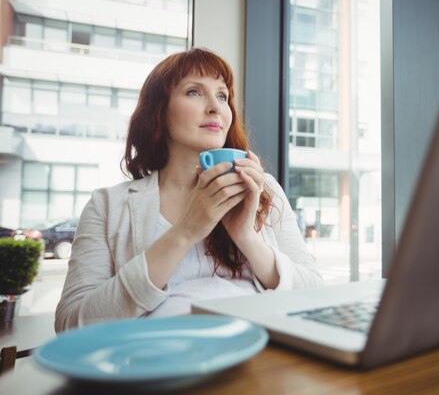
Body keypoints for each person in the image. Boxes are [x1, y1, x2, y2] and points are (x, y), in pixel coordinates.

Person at [55, 48, 324, 331]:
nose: (216, 107)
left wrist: (246, 236)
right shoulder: (108, 205)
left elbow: (313, 292)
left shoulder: (262, 188)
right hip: (155, 360)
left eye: (222, 96)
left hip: (262, 354)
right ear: (158, 111)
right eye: (194, 92)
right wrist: (184, 232)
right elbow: (71, 325)